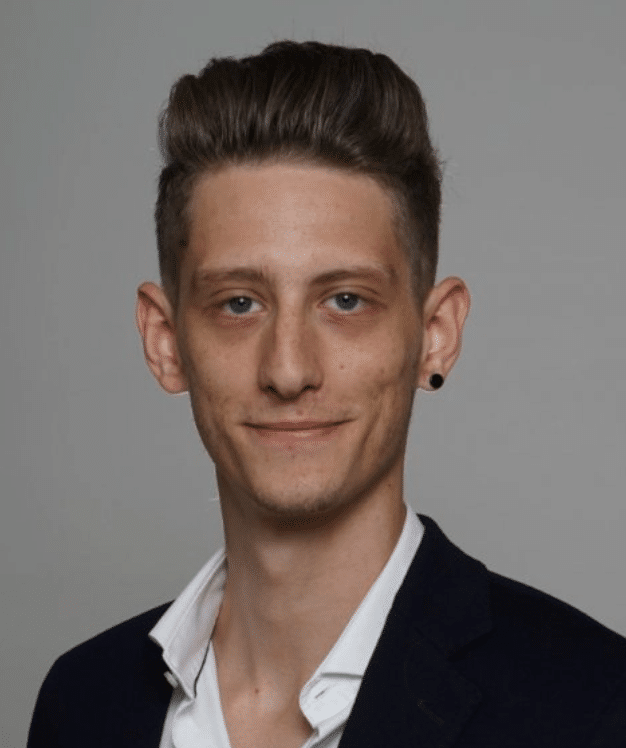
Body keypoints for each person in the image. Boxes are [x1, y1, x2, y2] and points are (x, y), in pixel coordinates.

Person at [28, 40, 626, 748]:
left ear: (435, 335)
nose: (288, 371)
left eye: (345, 300)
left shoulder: (595, 706)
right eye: (239, 303)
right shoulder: (82, 704)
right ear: (165, 340)